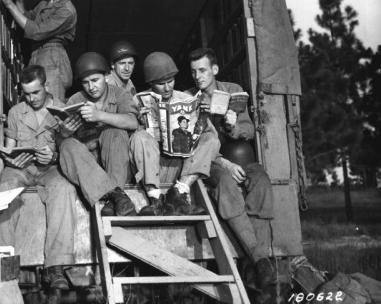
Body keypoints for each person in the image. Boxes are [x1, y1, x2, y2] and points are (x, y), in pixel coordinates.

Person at [186, 47, 276, 292]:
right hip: (211, 163)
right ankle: (260, 260)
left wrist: (233, 126)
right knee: (226, 183)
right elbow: (188, 145)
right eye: (193, 72)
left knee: (262, 182)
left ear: (214, 70)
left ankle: (253, 263)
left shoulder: (233, 91)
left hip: (240, 156)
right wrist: (223, 162)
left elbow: (248, 131)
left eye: (203, 70)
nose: (198, 77)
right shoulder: (187, 97)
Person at [0, 65, 77, 290]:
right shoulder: (17, 111)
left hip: (52, 169)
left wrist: (54, 155)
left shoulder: (63, 109)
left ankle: (56, 267)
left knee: (65, 189)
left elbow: (70, 148)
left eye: (36, 92)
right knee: (5, 191)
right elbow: (10, 148)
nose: (31, 98)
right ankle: (2, 269)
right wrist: (11, 159)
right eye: (26, 93)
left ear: (46, 86)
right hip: (22, 169)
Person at [129, 52, 220, 216]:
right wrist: (139, 122)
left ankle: (178, 192)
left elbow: (209, 138)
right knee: (139, 137)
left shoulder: (186, 98)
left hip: (181, 167)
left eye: (170, 81)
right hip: (152, 167)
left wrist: (203, 116)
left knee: (211, 138)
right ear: (150, 83)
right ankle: (155, 199)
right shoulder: (138, 100)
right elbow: (131, 144)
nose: (167, 88)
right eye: (160, 84)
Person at [58, 52, 138, 216]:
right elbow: (64, 149)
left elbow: (133, 122)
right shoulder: (75, 99)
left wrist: (100, 116)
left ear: (106, 76)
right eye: (86, 82)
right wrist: (63, 134)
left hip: (116, 163)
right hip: (88, 168)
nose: (91, 87)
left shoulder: (120, 93)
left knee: (113, 130)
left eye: (95, 80)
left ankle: (111, 197)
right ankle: (116, 196)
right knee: (66, 144)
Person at [0, 0, 77, 102]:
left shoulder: (67, 10)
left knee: (50, 111)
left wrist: (10, 5)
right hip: (37, 55)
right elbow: (26, 19)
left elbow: (36, 32)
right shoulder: (45, 4)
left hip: (53, 58)